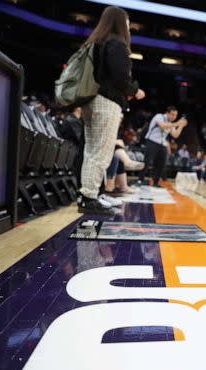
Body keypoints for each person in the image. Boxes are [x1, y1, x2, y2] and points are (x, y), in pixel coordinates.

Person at [77, 6, 145, 215]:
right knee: (101, 152)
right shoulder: (116, 43)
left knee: (92, 150)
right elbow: (120, 78)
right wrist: (135, 90)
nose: (128, 27)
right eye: (126, 23)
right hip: (106, 102)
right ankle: (89, 197)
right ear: (119, 23)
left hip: (91, 101)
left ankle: (92, 193)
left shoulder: (97, 42)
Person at [138, 106, 187, 186]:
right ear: (167, 113)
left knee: (161, 163)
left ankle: (156, 182)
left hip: (162, 143)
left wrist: (181, 126)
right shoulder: (159, 116)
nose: (174, 117)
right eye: (172, 114)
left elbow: (175, 135)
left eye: (175, 115)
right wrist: (177, 123)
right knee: (147, 161)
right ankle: (140, 180)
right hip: (152, 141)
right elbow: (163, 126)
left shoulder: (171, 124)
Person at [60, 107, 84, 183]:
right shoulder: (72, 121)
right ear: (77, 108)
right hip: (72, 152)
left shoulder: (75, 120)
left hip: (74, 151)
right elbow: (81, 139)